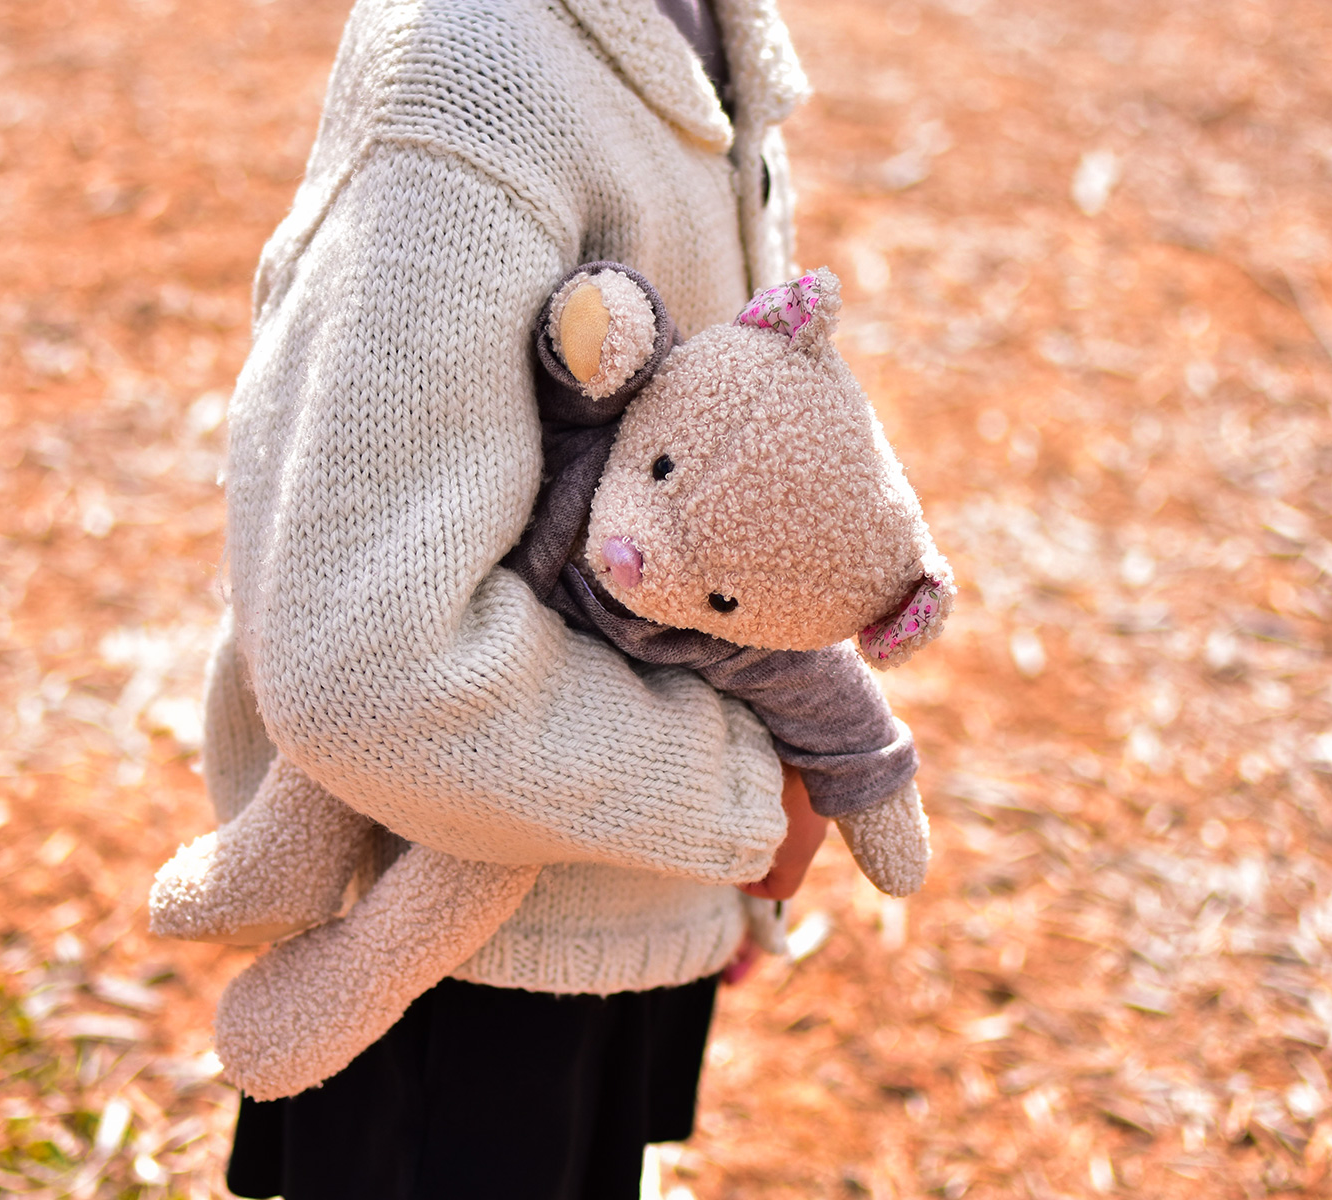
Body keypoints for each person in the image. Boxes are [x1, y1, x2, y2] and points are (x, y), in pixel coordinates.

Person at [202, 0, 822, 1194]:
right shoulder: (473, 67)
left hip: (603, 899)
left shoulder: (706, 28)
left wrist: (702, 895)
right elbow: (365, 666)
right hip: (460, 983)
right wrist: (741, 799)